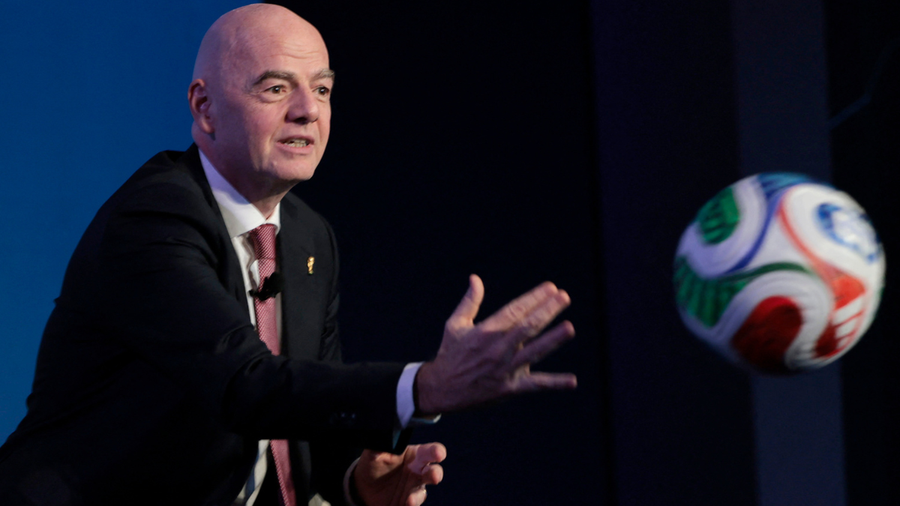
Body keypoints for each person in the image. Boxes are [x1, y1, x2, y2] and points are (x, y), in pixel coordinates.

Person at [0, 4, 576, 506]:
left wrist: (357, 482)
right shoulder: (154, 219)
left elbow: (306, 420)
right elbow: (247, 387)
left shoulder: (306, 236)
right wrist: (425, 386)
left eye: (321, 90)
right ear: (204, 108)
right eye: (276, 88)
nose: (308, 111)